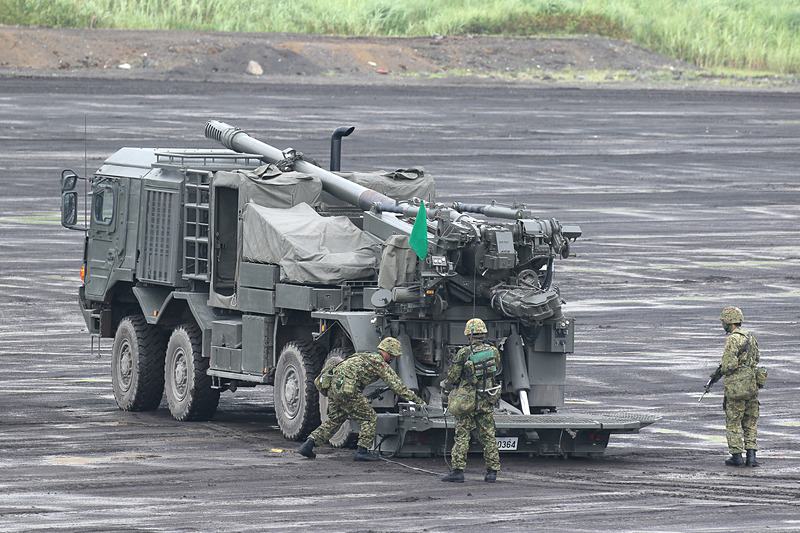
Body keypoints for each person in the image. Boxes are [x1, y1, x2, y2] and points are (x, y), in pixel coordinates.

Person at [298, 337, 425, 462]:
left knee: (335, 420)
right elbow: (397, 386)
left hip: (333, 388)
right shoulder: (378, 362)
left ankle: (308, 444)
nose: (392, 359)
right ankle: (362, 451)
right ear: (386, 352)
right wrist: (418, 401)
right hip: (347, 391)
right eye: (392, 356)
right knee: (369, 418)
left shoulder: (363, 356)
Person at [441, 318, 501, 483]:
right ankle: (492, 473)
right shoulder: (493, 351)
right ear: (484, 333)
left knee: (462, 436)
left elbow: (453, 376)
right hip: (486, 399)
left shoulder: (464, 352)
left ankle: (458, 472)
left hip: (466, 401)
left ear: (469, 334)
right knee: (488, 436)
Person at [717, 306, 761, 467]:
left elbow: (728, 365)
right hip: (751, 386)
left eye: (723, 321)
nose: (723, 325)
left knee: (734, 421)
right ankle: (751, 456)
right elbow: (757, 358)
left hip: (736, 388)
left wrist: (721, 370)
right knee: (750, 421)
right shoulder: (751, 337)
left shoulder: (732, 339)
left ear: (729, 322)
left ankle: (736, 456)